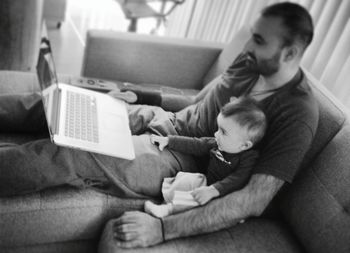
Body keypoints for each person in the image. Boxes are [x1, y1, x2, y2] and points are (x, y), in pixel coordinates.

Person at [98, 1, 319, 249]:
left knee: (87, 150)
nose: (246, 46)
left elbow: (253, 199)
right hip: (168, 119)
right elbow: (195, 101)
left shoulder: (298, 114)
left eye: (258, 40)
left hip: (186, 155)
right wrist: (141, 96)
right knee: (81, 109)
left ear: (289, 53)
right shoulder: (248, 63)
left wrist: (162, 229)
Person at [145, 97, 266, 218]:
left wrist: (214, 190)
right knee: (188, 179)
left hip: (224, 196)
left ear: (244, 145)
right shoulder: (218, 144)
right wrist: (169, 140)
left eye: (223, 132)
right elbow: (196, 144)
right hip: (208, 183)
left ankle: (168, 210)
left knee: (198, 198)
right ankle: (166, 201)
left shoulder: (249, 159)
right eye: (218, 129)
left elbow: (238, 179)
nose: (216, 134)